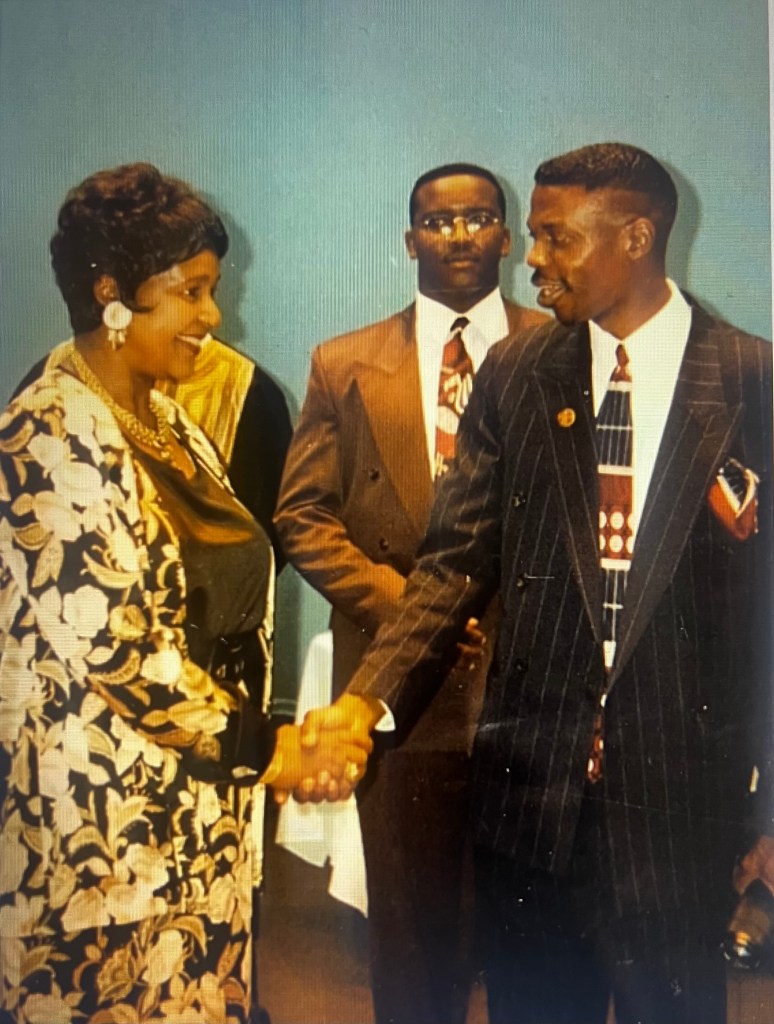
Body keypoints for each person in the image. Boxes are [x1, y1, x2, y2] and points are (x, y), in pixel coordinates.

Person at [302, 143, 773, 1024]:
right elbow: (453, 562)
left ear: (636, 237)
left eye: (558, 237)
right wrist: (364, 703)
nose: (533, 259)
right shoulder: (518, 373)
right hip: (531, 806)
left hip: (679, 809)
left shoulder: (753, 381)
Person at [0, 163, 367, 1024]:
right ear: (110, 294)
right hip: (103, 832)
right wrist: (277, 751)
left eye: (212, 291)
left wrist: (267, 749)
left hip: (201, 809)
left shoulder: (168, 423)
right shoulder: (48, 430)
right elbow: (120, 651)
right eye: (191, 292)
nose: (213, 316)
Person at [274, 162, 547, 1024]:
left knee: (534, 936)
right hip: (395, 691)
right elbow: (302, 516)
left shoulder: (560, 349)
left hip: (528, 683)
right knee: (412, 940)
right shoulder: (344, 363)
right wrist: (411, 612)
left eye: (479, 218)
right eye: (437, 221)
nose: (459, 235)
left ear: (507, 237)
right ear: (408, 240)